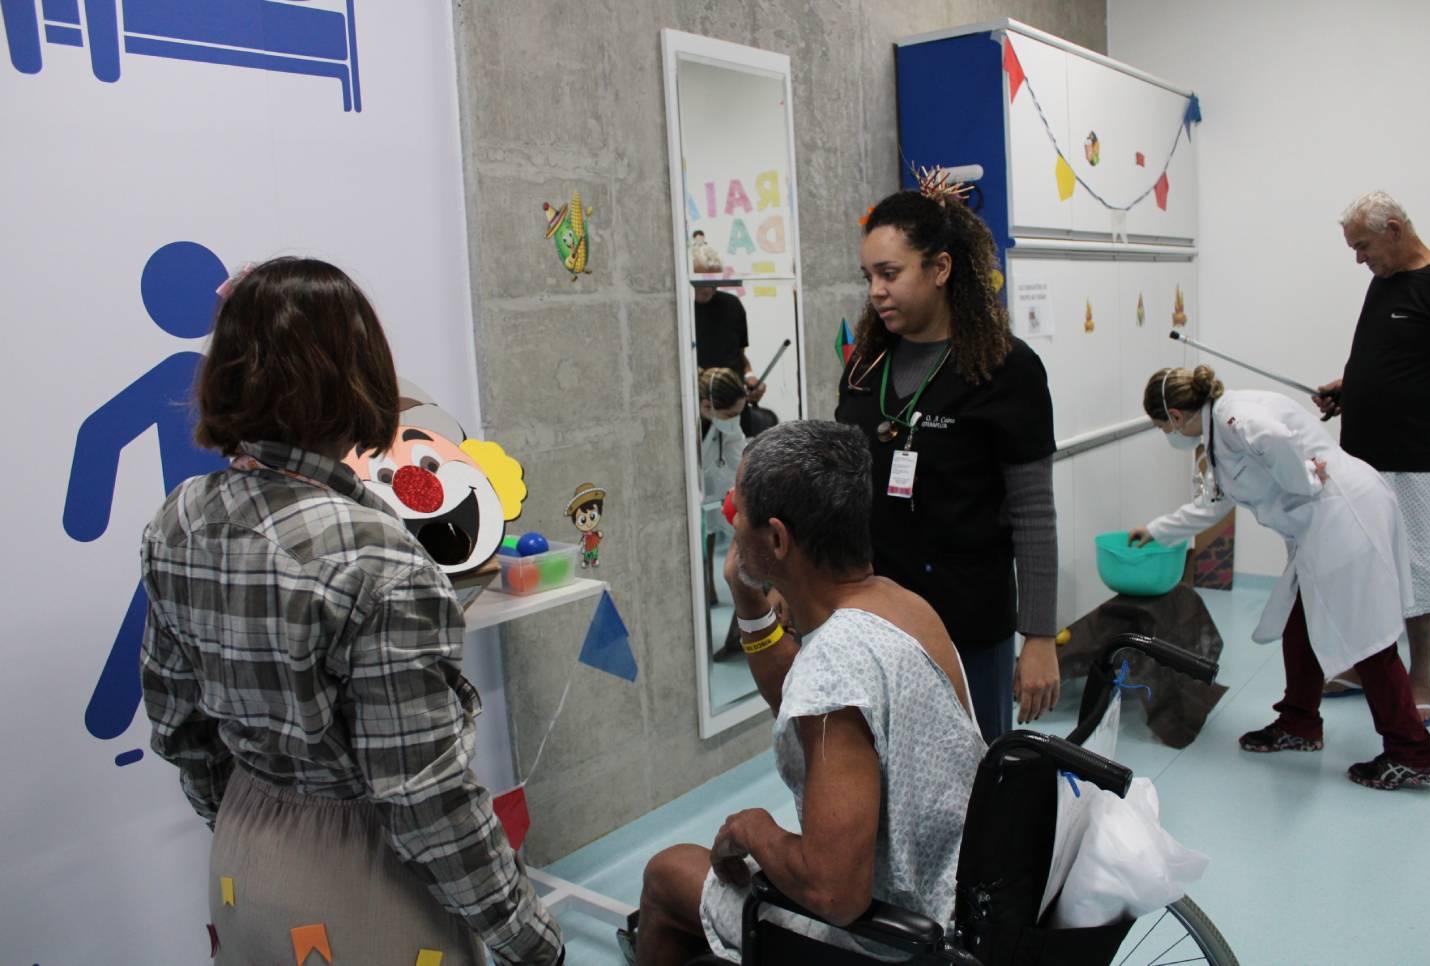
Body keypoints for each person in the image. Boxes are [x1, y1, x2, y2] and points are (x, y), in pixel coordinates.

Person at [139, 257, 564, 965]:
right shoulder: (380, 560)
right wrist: (530, 937)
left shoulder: (177, 520)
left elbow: (179, 726)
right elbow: (426, 797)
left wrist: (257, 817)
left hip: (242, 860)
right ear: (359, 371)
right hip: (363, 888)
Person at [633, 421, 986, 965]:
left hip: (898, 942)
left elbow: (834, 894)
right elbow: (803, 705)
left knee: (666, 874)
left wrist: (756, 830)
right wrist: (749, 604)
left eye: (740, 512)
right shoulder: (901, 605)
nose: (733, 519)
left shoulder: (835, 665)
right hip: (962, 904)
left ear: (776, 538)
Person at [1129, 365, 1430, 790]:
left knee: (1366, 640)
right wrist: (1157, 530)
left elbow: (1275, 439)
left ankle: (1413, 753)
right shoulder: (1220, 433)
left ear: (1176, 414)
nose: (1165, 432)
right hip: (1325, 523)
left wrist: (1306, 480)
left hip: (1341, 515)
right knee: (1301, 625)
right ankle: (1299, 722)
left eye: (1160, 424)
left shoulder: (1231, 417)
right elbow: (1214, 505)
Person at [836, 184, 1060, 742]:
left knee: (971, 784)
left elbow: (1033, 513)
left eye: (890, 273)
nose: (877, 292)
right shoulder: (865, 366)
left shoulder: (1007, 370)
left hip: (967, 625)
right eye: (869, 278)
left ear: (940, 267)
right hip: (874, 618)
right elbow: (838, 489)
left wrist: (1038, 637)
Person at [1313, 191, 1430, 725]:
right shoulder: (1382, 283)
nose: (1358, 258)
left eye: (1362, 246)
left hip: (1419, 456)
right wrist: (1350, 388)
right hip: (1362, 453)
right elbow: (1391, 358)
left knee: (1421, 566)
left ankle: (1418, 676)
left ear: (1394, 229)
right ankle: (1365, 665)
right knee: (1364, 560)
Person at [699, 367, 749, 613]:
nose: (735, 420)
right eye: (730, 414)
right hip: (698, 492)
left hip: (718, 488)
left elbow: (739, 458)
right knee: (702, 532)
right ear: (706, 406)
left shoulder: (728, 426)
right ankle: (706, 586)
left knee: (718, 527)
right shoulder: (687, 426)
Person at [692, 239, 766, 405]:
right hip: (698, 406)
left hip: (733, 403)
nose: (709, 288)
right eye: (702, 281)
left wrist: (750, 377)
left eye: (714, 281)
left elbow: (740, 356)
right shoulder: (679, 314)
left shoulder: (732, 305)